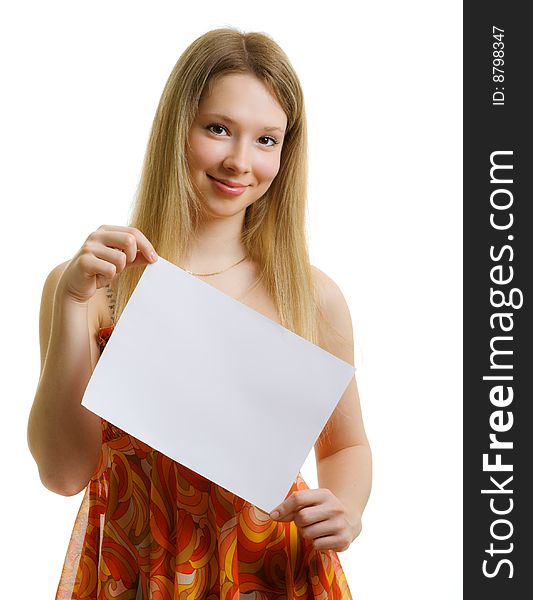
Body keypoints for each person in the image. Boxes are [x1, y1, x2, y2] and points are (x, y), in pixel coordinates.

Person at [27, 27, 372, 599]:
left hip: (271, 572)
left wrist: (347, 509)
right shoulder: (95, 287)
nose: (240, 162)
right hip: (138, 571)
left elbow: (345, 446)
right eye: (218, 129)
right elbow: (63, 473)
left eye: (267, 140)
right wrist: (69, 305)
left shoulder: (311, 296)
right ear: (176, 127)